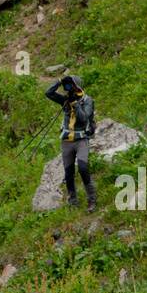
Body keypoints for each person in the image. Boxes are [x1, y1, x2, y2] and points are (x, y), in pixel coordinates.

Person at [44, 74, 96, 210]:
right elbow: (48, 93)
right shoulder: (65, 100)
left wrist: (75, 105)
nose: (69, 89)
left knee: (83, 168)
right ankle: (73, 200)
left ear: (77, 86)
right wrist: (59, 81)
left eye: (71, 85)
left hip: (81, 140)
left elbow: (84, 118)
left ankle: (92, 199)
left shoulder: (88, 101)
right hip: (66, 141)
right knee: (68, 172)